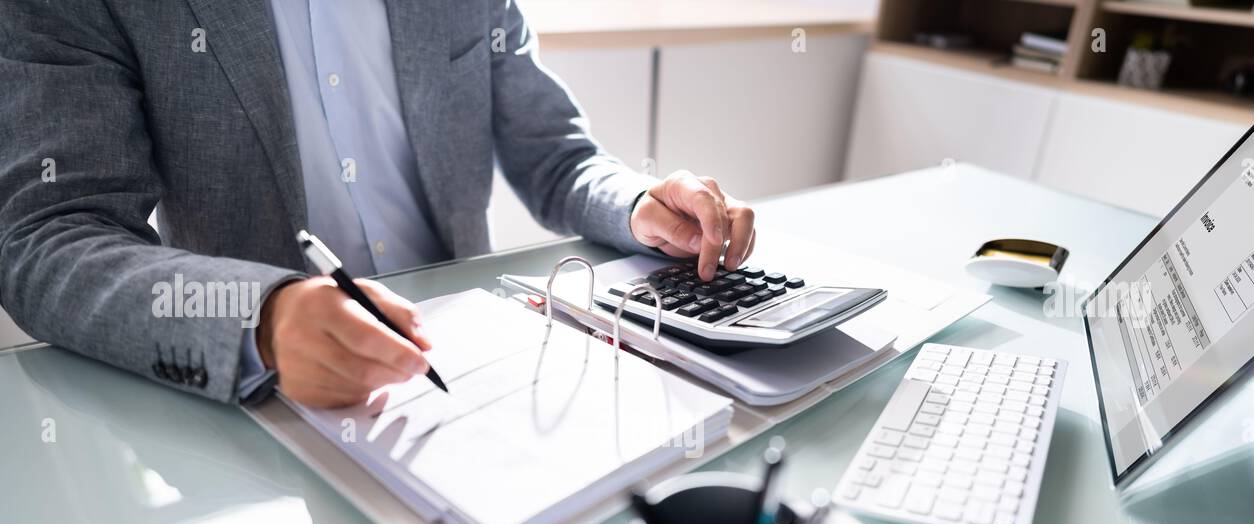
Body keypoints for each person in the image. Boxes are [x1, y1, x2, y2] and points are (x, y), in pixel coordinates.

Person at [0, 0, 755, 408]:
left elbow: (555, 156)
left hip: (475, 364)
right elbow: (49, 237)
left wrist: (637, 203)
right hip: (267, 404)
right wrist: (255, 318)